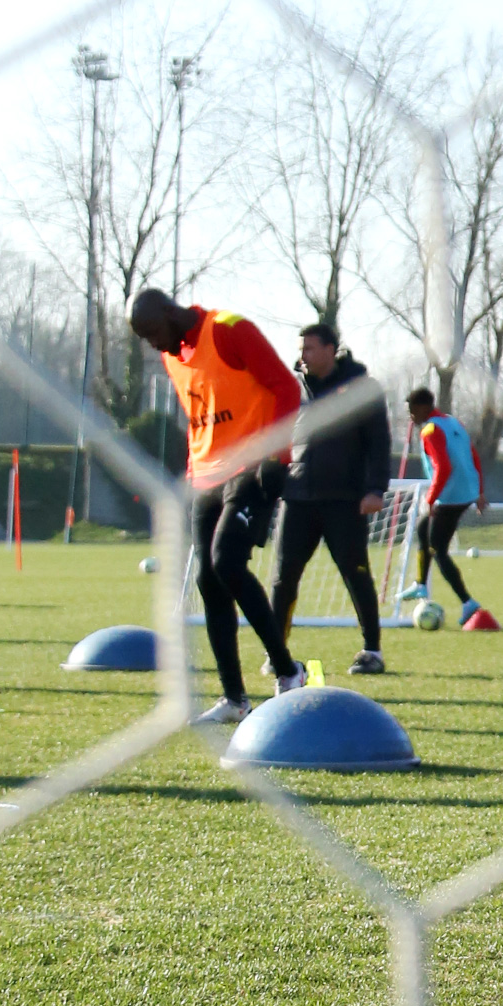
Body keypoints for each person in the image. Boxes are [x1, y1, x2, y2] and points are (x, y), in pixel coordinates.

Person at [128, 287, 304, 722]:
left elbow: (285, 388)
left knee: (227, 563)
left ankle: (288, 672)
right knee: (208, 580)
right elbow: (197, 418)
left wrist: (277, 456)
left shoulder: (229, 330)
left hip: (251, 469)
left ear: (171, 312)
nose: (152, 344)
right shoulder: (173, 355)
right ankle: (234, 699)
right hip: (205, 477)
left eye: (152, 332)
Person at [269, 324, 392, 674]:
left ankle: (372, 650)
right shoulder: (293, 387)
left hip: (345, 499)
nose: (302, 355)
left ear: (330, 349)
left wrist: (375, 489)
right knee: (283, 576)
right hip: (298, 498)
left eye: (309, 348)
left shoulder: (361, 389)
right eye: (301, 348)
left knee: (356, 573)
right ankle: (276, 652)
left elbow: (379, 443)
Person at [400, 386, 487, 626]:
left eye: (411, 410)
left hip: (450, 496)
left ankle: (468, 603)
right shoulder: (452, 422)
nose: (410, 416)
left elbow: (444, 468)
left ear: (421, 408)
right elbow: (474, 457)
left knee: (438, 549)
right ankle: (420, 585)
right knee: (422, 530)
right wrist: (479, 491)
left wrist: (430, 499)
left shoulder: (430, 430)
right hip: (466, 491)